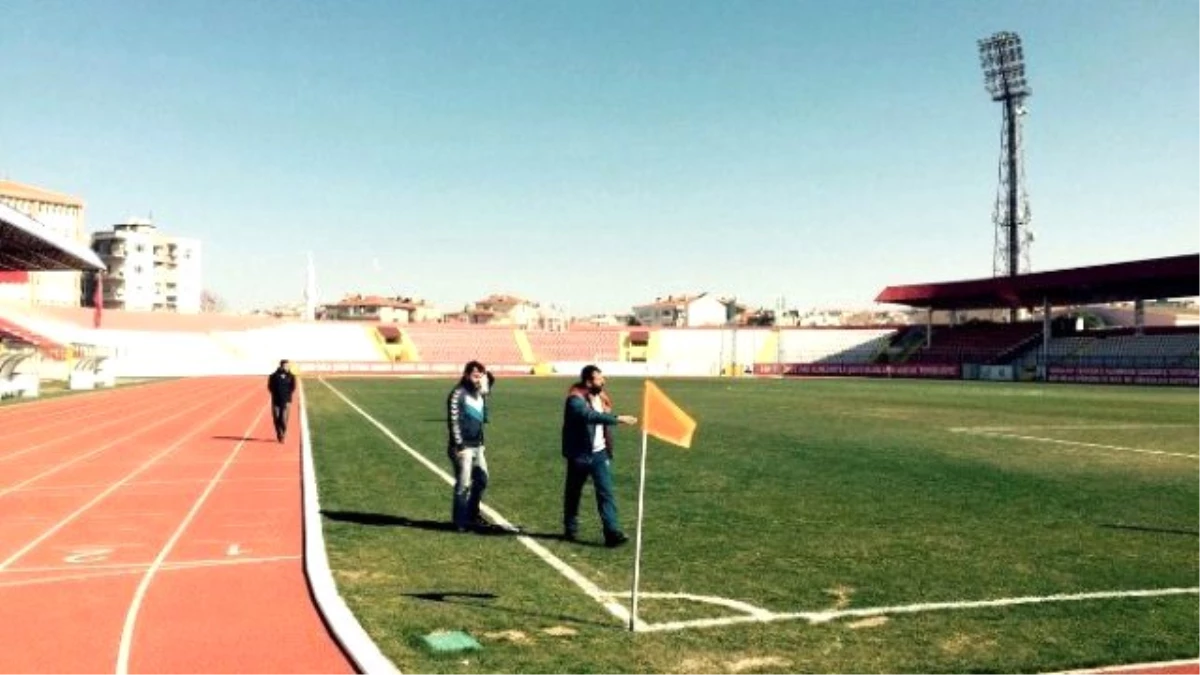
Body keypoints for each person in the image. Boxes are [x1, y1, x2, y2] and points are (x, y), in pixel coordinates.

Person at [561, 364, 638, 547]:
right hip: (580, 455)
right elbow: (589, 416)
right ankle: (570, 529)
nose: (604, 381)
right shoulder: (575, 399)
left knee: (606, 493)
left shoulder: (600, 397)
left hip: (599, 455)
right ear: (588, 382)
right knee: (573, 493)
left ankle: (611, 533)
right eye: (599, 378)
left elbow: (601, 415)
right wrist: (617, 419)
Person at [446, 360, 495, 532]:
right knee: (464, 484)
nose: (478, 379)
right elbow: (454, 421)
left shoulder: (480, 393)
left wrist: (485, 382)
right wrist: (459, 446)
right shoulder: (458, 394)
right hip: (462, 447)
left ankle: (472, 514)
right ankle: (460, 521)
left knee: (482, 480)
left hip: (477, 446)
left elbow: (491, 380)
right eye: (475, 376)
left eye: (480, 376)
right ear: (466, 375)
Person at [267, 359, 296, 443]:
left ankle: (283, 432)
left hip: (286, 401)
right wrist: (276, 394)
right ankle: (279, 434)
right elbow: (270, 387)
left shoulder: (291, 376)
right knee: (276, 418)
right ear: (281, 366)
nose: (286, 367)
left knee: (283, 418)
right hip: (276, 400)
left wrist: (287, 395)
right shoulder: (273, 376)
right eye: (285, 366)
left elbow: (293, 387)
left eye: (288, 366)